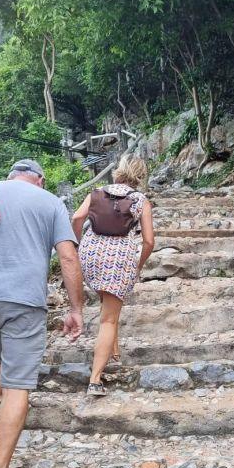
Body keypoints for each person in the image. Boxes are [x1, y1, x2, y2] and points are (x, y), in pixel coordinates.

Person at [0, 159, 84, 468]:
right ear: (40, 180)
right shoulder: (50, 202)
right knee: (17, 384)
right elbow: (68, 257)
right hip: (21, 301)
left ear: (11, 176)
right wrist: (75, 309)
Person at [72, 154, 155, 396]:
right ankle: (95, 379)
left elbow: (77, 217)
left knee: (106, 301)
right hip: (120, 258)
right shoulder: (141, 200)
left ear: (119, 170)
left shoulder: (97, 192)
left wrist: (77, 244)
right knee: (108, 318)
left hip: (91, 253)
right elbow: (149, 241)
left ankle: (113, 347)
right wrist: (137, 264)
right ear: (140, 175)